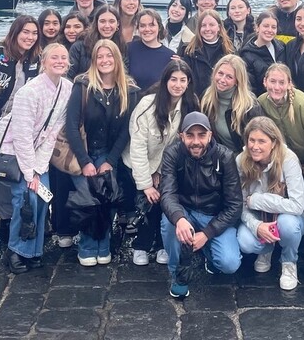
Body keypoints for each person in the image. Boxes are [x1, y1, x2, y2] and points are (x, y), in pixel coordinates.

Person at [0, 42, 73, 273]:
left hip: (40, 153)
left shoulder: (67, 88)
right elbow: (21, 135)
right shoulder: (29, 91)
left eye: (63, 58)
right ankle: (15, 251)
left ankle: (33, 251)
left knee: (41, 199)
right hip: (16, 151)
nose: (59, 61)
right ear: (43, 62)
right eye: (54, 58)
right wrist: (30, 173)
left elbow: (53, 132)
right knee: (25, 199)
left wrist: (39, 168)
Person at [66, 39, 140, 266]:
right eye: (100, 57)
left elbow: (127, 130)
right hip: (85, 152)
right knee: (90, 202)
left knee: (107, 200)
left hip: (110, 154)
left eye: (109, 56)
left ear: (117, 59)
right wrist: (85, 160)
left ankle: (104, 245)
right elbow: (71, 126)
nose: (105, 61)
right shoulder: (82, 86)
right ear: (94, 60)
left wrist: (110, 160)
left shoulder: (130, 90)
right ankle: (88, 247)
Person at [0, 15, 43, 249]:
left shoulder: (36, 58)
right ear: (15, 32)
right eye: (25, 32)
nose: (30, 37)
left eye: (34, 33)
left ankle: (5, 218)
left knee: (3, 172)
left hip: (16, 124)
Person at [125, 59, 200, 266]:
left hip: (168, 165)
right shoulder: (147, 105)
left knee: (167, 200)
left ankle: (161, 245)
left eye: (182, 80)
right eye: (173, 79)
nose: (178, 84)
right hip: (141, 162)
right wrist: (146, 182)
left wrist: (161, 172)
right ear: (165, 80)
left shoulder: (190, 105)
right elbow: (137, 147)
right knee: (148, 200)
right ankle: (141, 244)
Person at [160, 112, 243, 298]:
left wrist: (207, 233)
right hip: (185, 211)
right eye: (190, 135)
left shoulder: (225, 157)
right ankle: (178, 274)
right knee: (168, 222)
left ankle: (208, 252)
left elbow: (235, 205)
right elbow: (167, 193)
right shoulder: (172, 154)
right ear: (182, 136)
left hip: (214, 215)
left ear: (210, 135)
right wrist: (179, 218)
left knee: (229, 264)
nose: (196, 141)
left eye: (201, 135)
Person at [236, 116, 304, 291]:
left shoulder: (288, 159)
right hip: (260, 218)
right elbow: (241, 204)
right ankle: (267, 249)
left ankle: (289, 262)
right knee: (245, 242)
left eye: (262, 141)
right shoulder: (241, 161)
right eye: (251, 140)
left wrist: (258, 200)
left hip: (289, 217)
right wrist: (257, 225)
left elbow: (297, 205)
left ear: (273, 142)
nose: (255, 146)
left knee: (288, 225)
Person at [256, 63, 304, 172]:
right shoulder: (261, 102)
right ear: (265, 82)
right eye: (272, 81)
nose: (276, 87)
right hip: (283, 162)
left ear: (289, 84)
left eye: (282, 82)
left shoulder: (301, 102)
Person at [200, 54, 263, 153]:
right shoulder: (206, 98)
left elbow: (259, 141)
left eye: (229, 77)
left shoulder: (250, 106)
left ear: (237, 81)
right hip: (218, 157)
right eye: (220, 73)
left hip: (244, 158)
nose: (222, 80)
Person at [178, 8, 235, 97]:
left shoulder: (230, 51)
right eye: (203, 25)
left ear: (219, 28)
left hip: (220, 99)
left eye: (211, 25)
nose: (207, 29)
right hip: (195, 100)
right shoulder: (188, 50)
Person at [68, 4, 126, 80]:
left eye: (111, 21)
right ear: (96, 23)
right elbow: (68, 75)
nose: (107, 26)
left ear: (117, 24)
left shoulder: (122, 46)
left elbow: (124, 74)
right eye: (102, 21)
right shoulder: (79, 47)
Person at [239, 10, 286, 96]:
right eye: (266, 26)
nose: (269, 30)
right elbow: (250, 88)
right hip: (262, 100)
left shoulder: (281, 47)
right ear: (257, 27)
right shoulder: (247, 55)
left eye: (273, 27)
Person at [127, 9, 176, 90]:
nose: (147, 29)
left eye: (151, 25)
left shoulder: (170, 56)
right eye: (142, 26)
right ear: (138, 28)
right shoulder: (129, 49)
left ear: (159, 27)